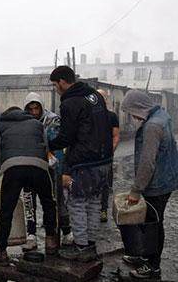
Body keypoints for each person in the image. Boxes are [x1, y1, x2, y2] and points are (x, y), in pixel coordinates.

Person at [48, 66, 113, 262]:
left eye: (54, 85)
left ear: (61, 81)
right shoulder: (94, 95)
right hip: (105, 160)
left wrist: (49, 145)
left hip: (85, 162)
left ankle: (81, 246)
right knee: (94, 202)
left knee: (77, 203)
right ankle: (91, 244)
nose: (55, 89)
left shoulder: (70, 102)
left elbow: (67, 135)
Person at [121, 89, 178, 279]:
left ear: (139, 108)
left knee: (153, 225)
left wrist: (136, 190)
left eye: (131, 112)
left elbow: (147, 162)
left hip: (157, 184)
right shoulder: (161, 115)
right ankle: (144, 256)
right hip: (167, 177)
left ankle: (153, 266)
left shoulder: (152, 126)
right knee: (150, 221)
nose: (132, 117)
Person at [0, 106, 58, 265]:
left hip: (12, 167)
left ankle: (1, 252)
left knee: (6, 209)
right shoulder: (36, 123)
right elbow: (46, 147)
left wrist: (4, 167)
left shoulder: (0, 124)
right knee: (49, 202)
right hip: (39, 166)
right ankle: (51, 242)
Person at [22, 92, 72, 250]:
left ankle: (65, 231)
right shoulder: (23, 121)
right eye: (30, 109)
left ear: (41, 107)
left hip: (51, 167)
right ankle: (31, 234)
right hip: (30, 166)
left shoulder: (53, 120)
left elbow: (59, 146)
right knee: (29, 200)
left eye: (36, 108)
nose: (34, 112)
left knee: (55, 201)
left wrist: (61, 170)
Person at [97, 89, 120, 222]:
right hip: (90, 156)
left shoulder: (111, 116)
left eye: (102, 97)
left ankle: (103, 210)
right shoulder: (88, 115)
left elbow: (116, 136)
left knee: (105, 184)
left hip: (106, 157)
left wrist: (109, 152)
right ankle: (92, 209)